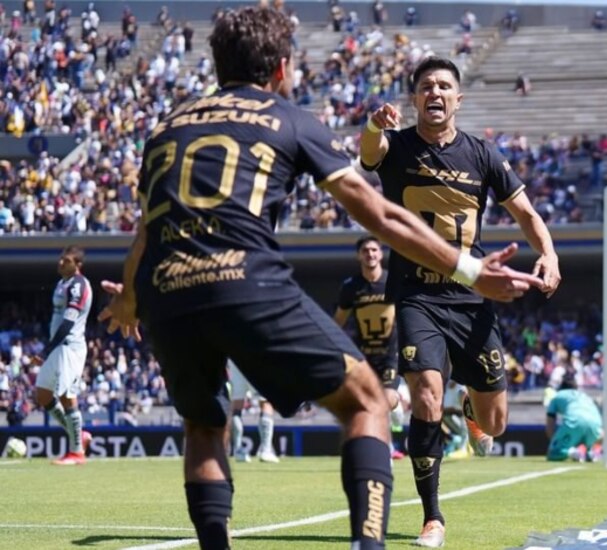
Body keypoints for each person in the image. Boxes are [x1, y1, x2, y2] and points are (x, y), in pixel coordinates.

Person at [97, 9, 541, 550]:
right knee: (370, 402)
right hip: (248, 283)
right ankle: (372, 542)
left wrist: (130, 303)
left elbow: (145, 233)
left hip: (168, 294)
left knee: (204, 427)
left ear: (215, 64)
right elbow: (378, 214)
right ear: (281, 68)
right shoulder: (289, 118)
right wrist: (471, 268)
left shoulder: (168, 126)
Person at [358, 56, 561, 548]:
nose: (436, 93)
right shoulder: (398, 145)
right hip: (416, 295)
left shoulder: (483, 155)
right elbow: (368, 154)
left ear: (457, 98)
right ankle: (433, 516)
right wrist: (371, 124)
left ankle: (472, 408)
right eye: (426, 86)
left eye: (444, 86)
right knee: (426, 394)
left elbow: (527, 212)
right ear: (414, 98)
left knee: (495, 423)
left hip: (472, 297)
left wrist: (549, 254)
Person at [334, 235, 406, 458]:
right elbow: (338, 321)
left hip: (390, 355)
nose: (370, 254)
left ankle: (393, 419)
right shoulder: (351, 287)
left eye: (374, 250)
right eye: (365, 250)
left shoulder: (393, 282)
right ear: (359, 255)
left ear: (381, 253)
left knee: (385, 400)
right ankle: (386, 447)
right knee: (368, 405)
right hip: (364, 356)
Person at [31, 246, 93, 466]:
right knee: (43, 395)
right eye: (60, 259)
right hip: (58, 347)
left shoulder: (79, 285)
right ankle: (80, 435)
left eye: (66, 260)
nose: (60, 263)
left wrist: (46, 350)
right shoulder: (62, 283)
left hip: (69, 347)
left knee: (67, 396)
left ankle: (77, 453)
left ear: (78, 265)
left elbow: (68, 322)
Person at [228, 360, 280, 463]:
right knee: (266, 402)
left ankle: (238, 451)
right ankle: (266, 451)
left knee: (236, 405)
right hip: (255, 358)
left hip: (234, 359)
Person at [545, 372, 602, 462]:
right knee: (581, 440)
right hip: (596, 424)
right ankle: (590, 452)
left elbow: (550, 423)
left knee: (553, 453)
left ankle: (575, 453)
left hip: (575, 421)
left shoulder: (557, 396)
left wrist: (555, 443)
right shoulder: (585, 396)